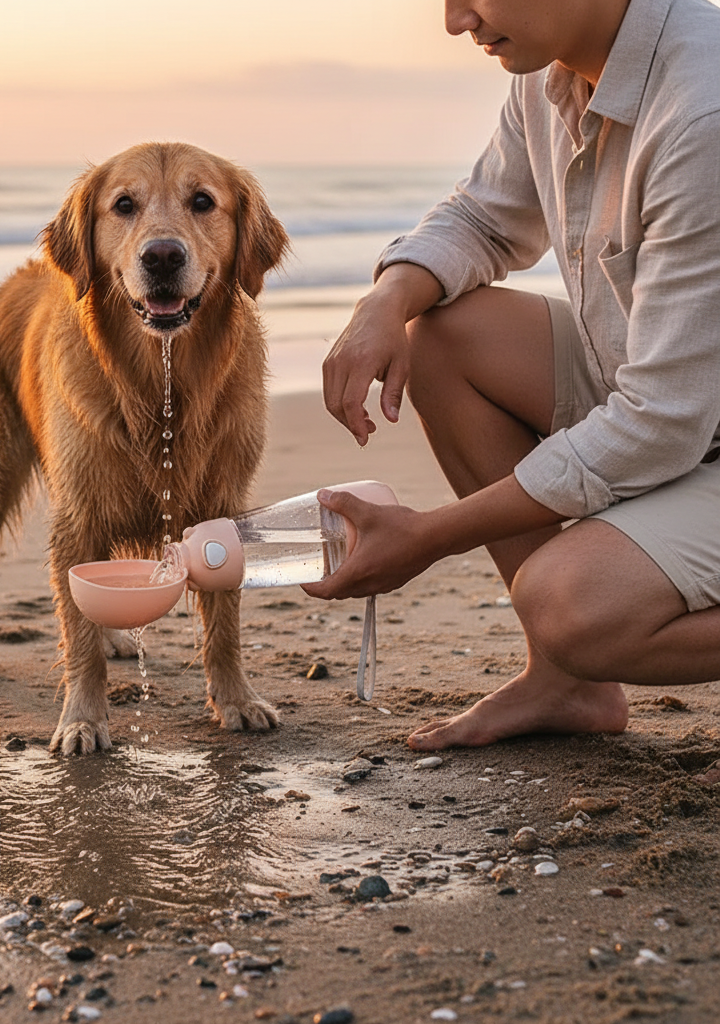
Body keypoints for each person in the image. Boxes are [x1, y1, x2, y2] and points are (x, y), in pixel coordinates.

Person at [302, 0, 720, 752]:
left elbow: (659, 424)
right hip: (685, 401)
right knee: (444, 336)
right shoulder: (555, 70)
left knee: (573, 605)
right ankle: (567, 684)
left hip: (683, 417)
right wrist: (386, 299)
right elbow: (487, 219)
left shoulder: (703, 112)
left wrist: (429, 537)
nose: (455, 19)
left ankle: (571, 651)